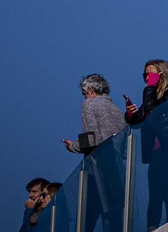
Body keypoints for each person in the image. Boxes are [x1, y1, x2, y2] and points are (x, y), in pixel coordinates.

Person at [121, 59, 168, 231]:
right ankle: (152, 228)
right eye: (145, 74)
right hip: (157, 153)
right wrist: (130, 114)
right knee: (155, 194)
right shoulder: (153, 95)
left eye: (150, 74)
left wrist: (150, 87)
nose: (146, 78)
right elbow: (139, 119)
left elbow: (154, 111)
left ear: (161, 73)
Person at [60, 73, 125, 232]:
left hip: (99, 161)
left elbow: (90, 139)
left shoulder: (89, 104)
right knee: (117, 205)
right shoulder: (116, 109)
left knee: (93, 210)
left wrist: (72, 146)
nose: (84, 98)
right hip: (117, 163)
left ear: (89, 90)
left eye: (83, 94)